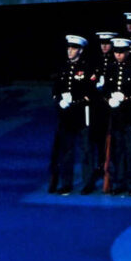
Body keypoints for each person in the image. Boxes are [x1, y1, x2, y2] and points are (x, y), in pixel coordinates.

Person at [49, 35, 96, 195]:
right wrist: (59, 100)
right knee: (66, 151)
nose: (70, 51)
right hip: (66, 116)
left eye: (74, 48)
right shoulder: (63, 68)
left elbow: (91, 92)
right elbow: (55, 89)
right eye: (69, 47)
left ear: (80, 50)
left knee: (86, 150)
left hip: (82, 115)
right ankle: (66, 183)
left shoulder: (87, 68)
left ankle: (88, 183)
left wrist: (74, 101)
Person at [101, 38, 131, 195]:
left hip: (130, 116)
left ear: (127, 52)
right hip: (116, 117)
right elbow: (105, 89)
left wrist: (126, 98)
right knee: (117, 151)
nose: (118, 55)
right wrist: (109, 99)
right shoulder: (110, 69)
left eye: (121, 52)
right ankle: (119, 182)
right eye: (116, 52)